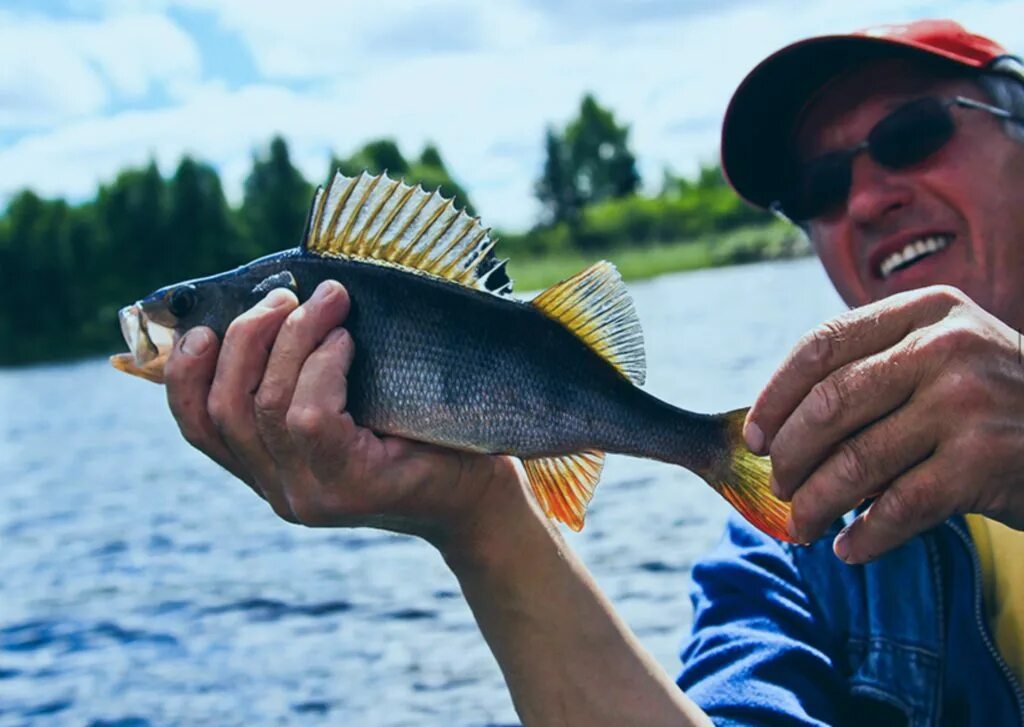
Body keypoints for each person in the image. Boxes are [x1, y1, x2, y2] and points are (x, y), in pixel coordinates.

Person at [162, 19, 1024, 725]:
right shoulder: (798, 537)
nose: (868, 198)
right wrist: (483, 519)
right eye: (820, 184)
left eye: (913, 135)